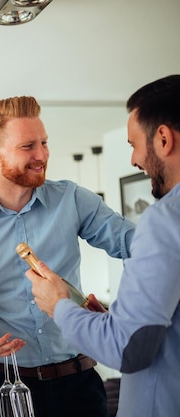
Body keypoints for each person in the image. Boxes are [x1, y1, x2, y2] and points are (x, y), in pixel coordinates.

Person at [0, 95, 136, 417]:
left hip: (78, 383)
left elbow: (134, 245)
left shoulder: (72, 199)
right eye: (27, 146)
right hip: (4, 387)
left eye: (44, 142)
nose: (42, 154)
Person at [27, 75, 180, 417]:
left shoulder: (166, 220)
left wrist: (60, 307)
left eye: (132, 144)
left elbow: (126, 348)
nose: (133, 160)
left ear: (164, 138)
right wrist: (114, 321)